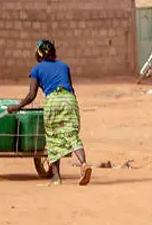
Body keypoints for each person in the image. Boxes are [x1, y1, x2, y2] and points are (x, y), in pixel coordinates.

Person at [8, 40, 91, 186]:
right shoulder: (64, 66)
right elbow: (71, 88)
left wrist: (18, 106)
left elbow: (31, 95)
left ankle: (56, 177)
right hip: (69, 100)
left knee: (52, 137)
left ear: (39, 54)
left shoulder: (37, 69)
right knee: (72, 135)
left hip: (53, 101)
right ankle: (83, 164)